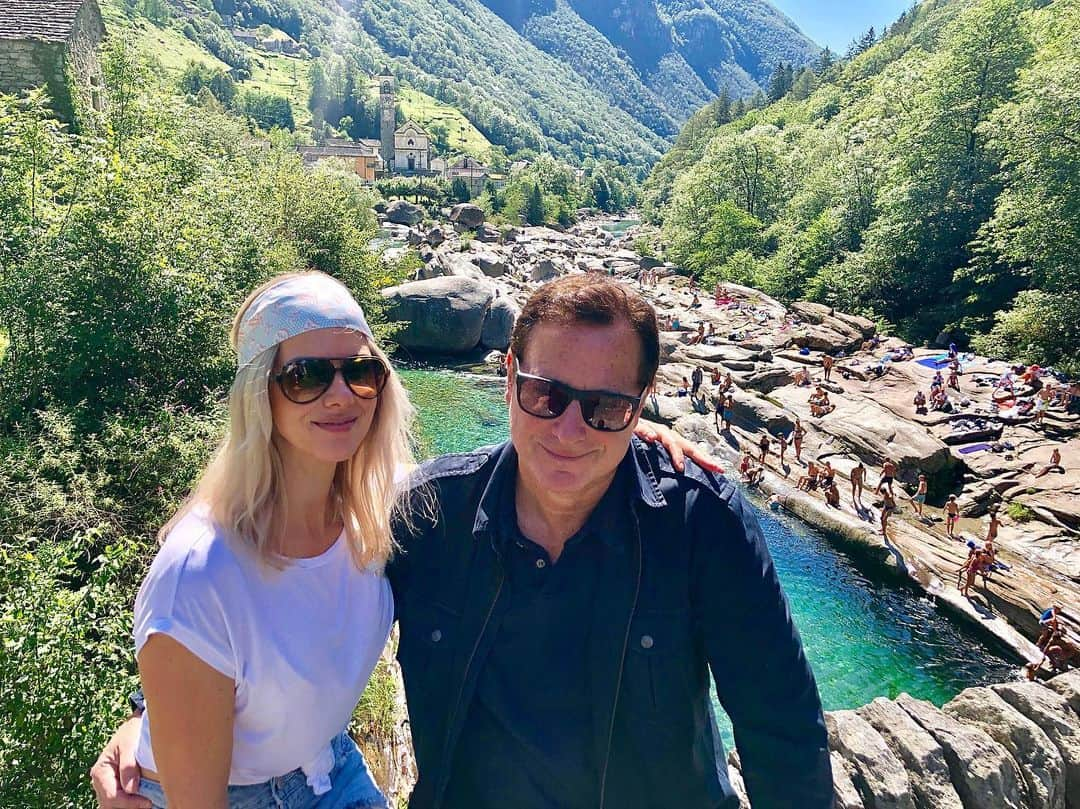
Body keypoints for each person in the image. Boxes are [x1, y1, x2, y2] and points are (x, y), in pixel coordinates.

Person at [96, 275, 832, 809]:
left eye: (605, 406)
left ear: (640, 407)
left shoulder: (700, 521)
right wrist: (148, 716)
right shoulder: (425, 516)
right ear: (509, 379)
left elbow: (783, 733)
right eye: (548, 393)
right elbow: (217, 618)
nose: (569, 430)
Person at [94, 272, 414, 809]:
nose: (340, 395)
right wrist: (148, 716)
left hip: (327, 765)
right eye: (306, 376)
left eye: (361, 372)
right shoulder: (202, 571)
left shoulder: (382, 511)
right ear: (259, 394)